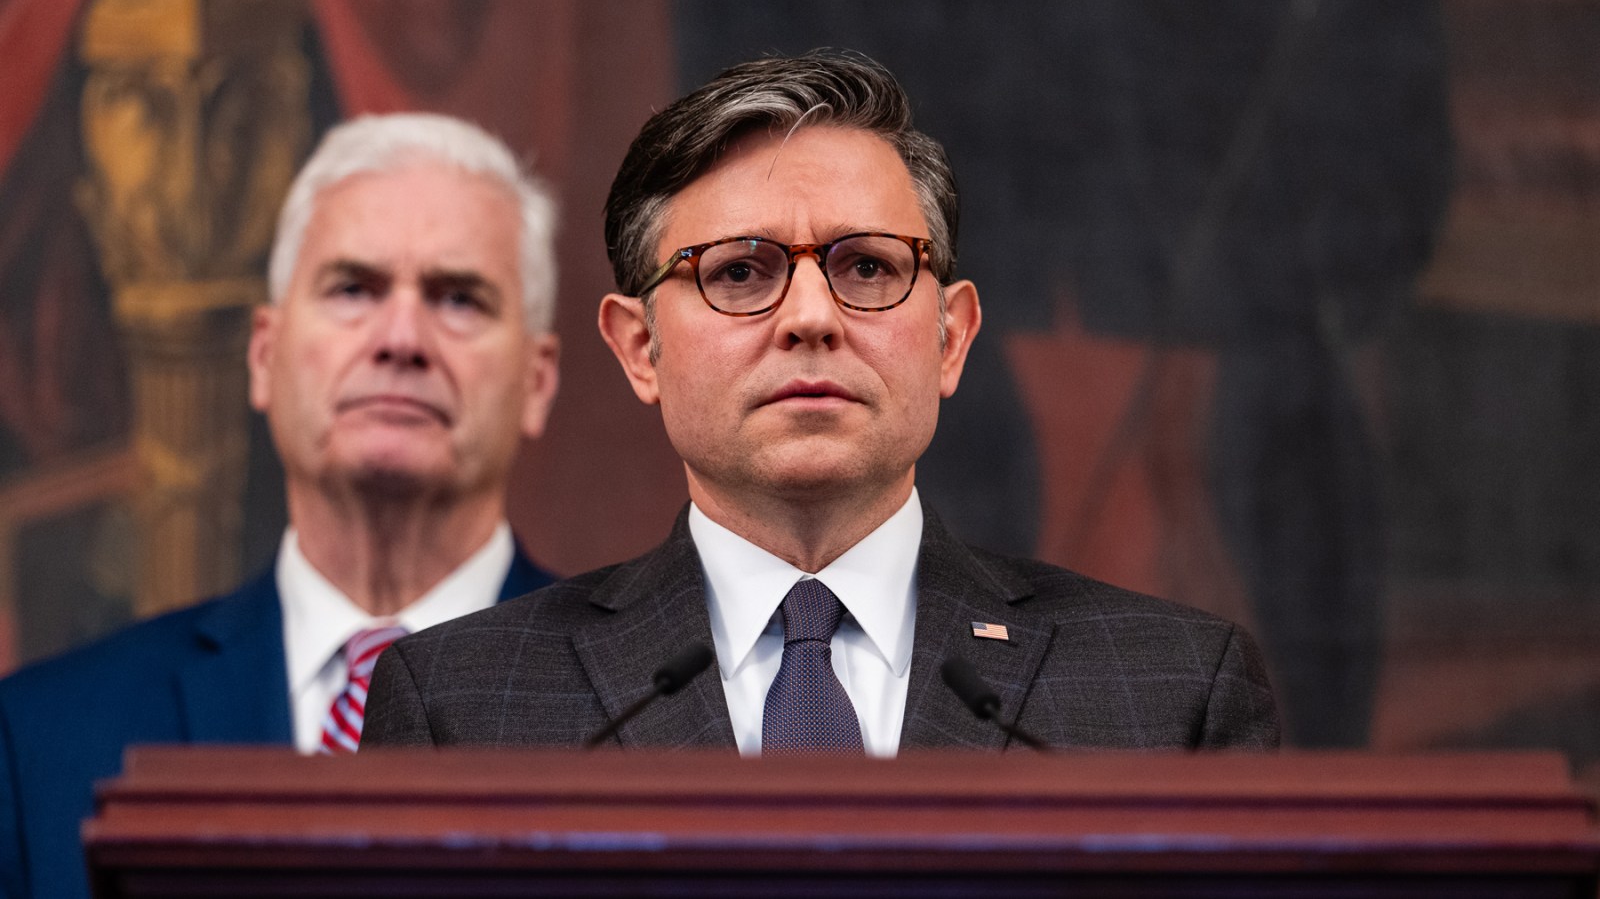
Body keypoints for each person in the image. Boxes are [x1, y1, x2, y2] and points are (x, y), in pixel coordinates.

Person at [363, 52, 1276, 757]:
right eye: (738, 273)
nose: (811, 317)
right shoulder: (459, 702)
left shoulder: (1172, 691)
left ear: (951, 337)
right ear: (640, 348)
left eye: (868, 266)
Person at [0, 112, 561, 899]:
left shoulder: (666, 721)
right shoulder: (40, 740)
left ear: (537, 381)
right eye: (353, 289)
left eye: (460, 299)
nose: (402, 338)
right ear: (264, 356)